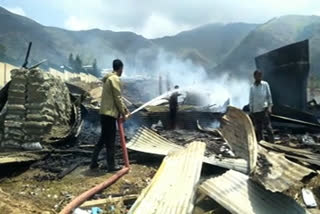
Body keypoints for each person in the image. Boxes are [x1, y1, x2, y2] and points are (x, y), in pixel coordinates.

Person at [90, 59, 130, 171]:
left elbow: (116, 98)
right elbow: (118, 98)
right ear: (120, 68)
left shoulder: (109, 79)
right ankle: (111, 166)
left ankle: (93, 162)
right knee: (110, 141)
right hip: (110, 114)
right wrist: (123, 113)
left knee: (103, 138)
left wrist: (125, 110)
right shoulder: (115, 79)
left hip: (104, 113)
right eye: (122, 69)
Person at [249, 70, 275, 143]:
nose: (259, 77)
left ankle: (272, 143)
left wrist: (270, 107)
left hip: (264, 109)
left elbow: (269, 96)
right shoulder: (252, 87)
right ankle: (262, 144)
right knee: (258, 129)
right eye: (257, 75)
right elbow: (251, 99)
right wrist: (251, 110)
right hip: (256, 111)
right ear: (254, 76)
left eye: (260, 75)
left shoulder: (265, 84)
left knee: (268, 128)